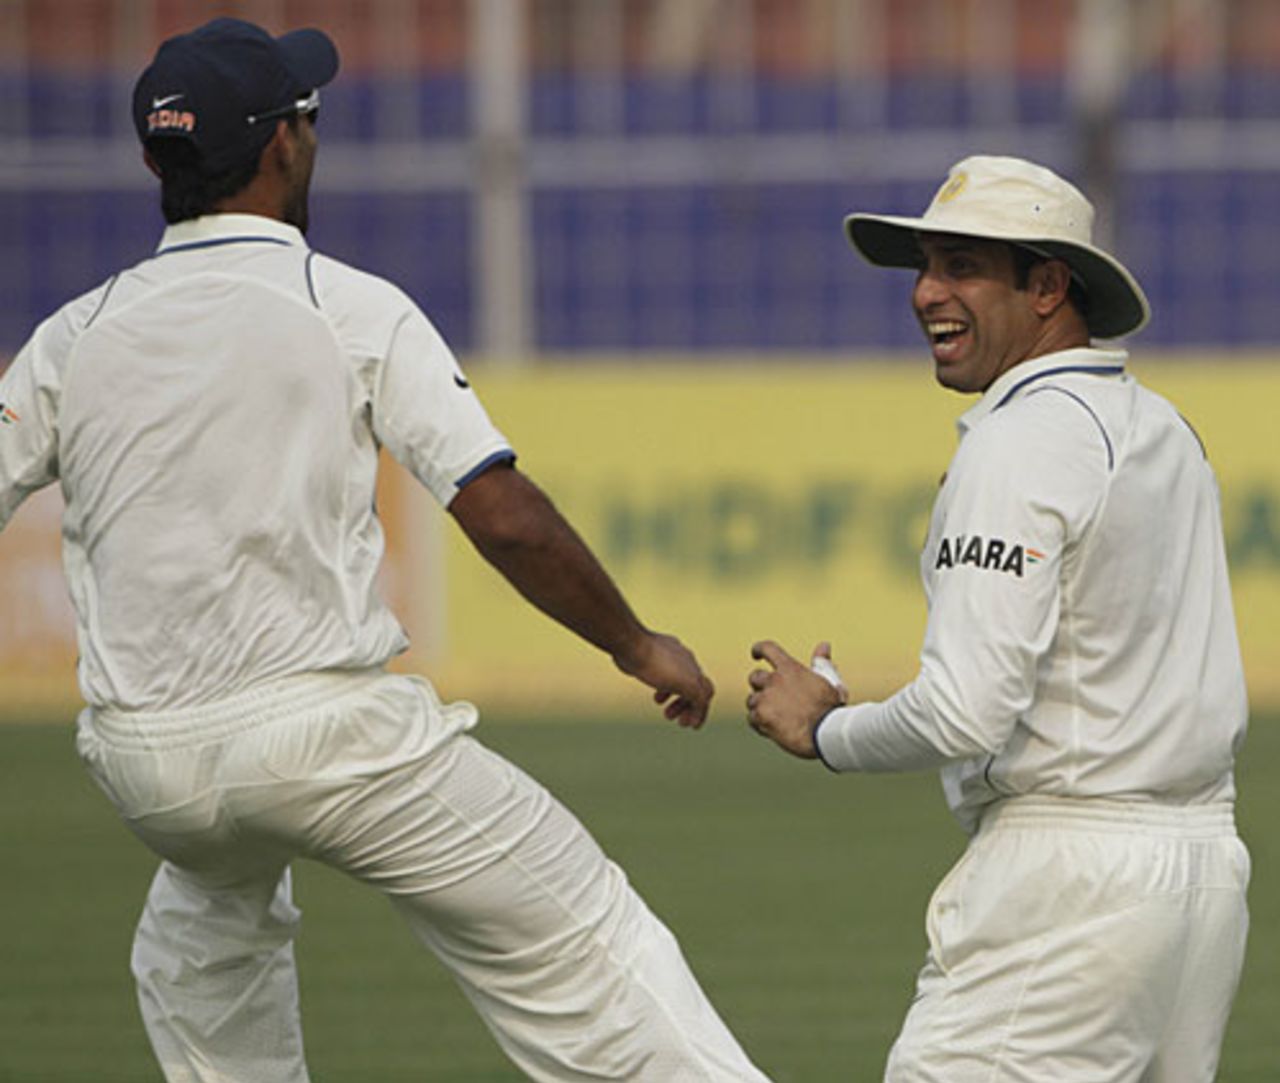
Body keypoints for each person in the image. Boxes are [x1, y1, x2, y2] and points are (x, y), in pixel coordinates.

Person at [0, 18, 772, 1083]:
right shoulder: (343, 305)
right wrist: (636, 646)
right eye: (306, 116)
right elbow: (498, 512)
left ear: (152, 161)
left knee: (204, 931)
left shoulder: (70, 337)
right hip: (323, 739)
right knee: (581, 929)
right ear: (281, 146)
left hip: (147, 767)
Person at [745, 155, 1249, 1082]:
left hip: (1069, 886)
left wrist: (825, 728)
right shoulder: (1166, 429)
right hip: (1202, 877)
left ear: (1050, 285)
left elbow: (965, 711)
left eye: (963, 265)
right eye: (925, 266)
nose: (927, 293)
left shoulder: (1020, 438)